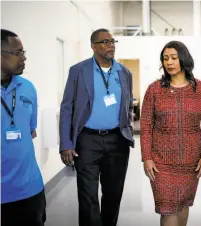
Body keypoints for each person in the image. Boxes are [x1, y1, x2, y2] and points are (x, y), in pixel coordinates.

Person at [59, 28, 134, 226]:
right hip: (87, 140)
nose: (111, 45)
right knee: (87, 195)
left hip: (117, 140)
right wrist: (66, 143)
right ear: (93, 46)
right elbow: (67, 107)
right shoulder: (78, 70)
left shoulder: (124, 72)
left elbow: (127, 106)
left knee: (113, 194)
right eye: (105, 42)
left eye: (112, 41)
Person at [140, 40, 201, 226]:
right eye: (165, 59)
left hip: (191, 161)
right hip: (161, 163)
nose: (169, 62)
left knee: (183, 204)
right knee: (167, 209)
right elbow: (146, 126)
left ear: (184, 59)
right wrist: (146, 157)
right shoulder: (154, 90)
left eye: (173, 58)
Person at [1, 29, 46, 225]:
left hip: (30, 190)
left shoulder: (28, 87)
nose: (24, 57)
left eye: (23, 52)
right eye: (18, 53)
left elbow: (30, 131)